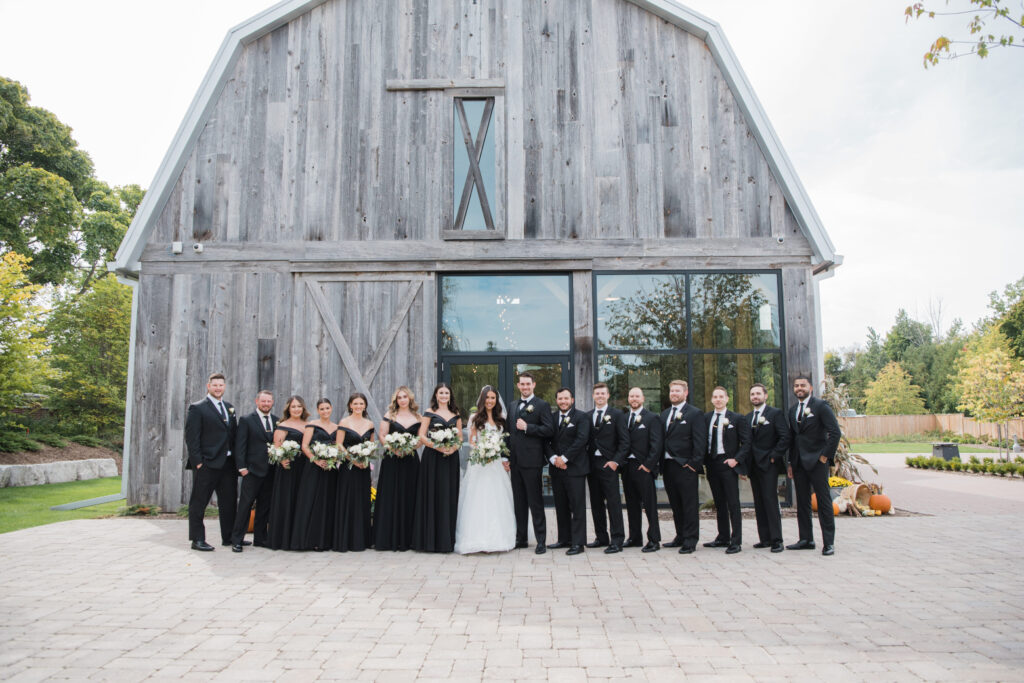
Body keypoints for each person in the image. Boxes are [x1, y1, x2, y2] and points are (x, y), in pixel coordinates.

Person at [454, 385, 516, 554]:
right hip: (479, 462)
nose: (490, 401)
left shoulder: (501, 418)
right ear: (482, 399)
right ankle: (476, 538)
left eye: (492, 398)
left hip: (495, 463)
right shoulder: (475, 417)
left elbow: (504, 440)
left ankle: (498, 538)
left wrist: (495, 450)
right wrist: (482, 449)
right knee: (478, 498)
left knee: (497, 498)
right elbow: (472, 440)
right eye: (487, 398)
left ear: (496, 401)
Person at [786, 374, 841, 556]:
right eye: (796, 386)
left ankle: (829, 542)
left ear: (810, 388)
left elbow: (835, 433)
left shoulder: (820, 406)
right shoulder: (793, 410)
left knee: (824, 502)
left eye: (802, 385)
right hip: (799, 463)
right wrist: (790, 463)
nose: (799, 388)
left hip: (817, 462)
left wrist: (825, 457)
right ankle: (806, 539)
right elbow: (793, 439)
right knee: (802, 502)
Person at [184, 372, 238, 551]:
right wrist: (198, 462)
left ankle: (229, 537)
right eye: (214, 385)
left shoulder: (229, 408)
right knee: (199, 502)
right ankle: (197, 539)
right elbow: (192, 438)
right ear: (208, 386)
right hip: (207, 464)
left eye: (221, 385)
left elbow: (233, 436)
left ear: (224, 387)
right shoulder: (197, 408)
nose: (218, 388)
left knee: (229, 502)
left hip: (228, 464)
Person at [412, 384, 463, 553]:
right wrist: (437, 446)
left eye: (446, 393)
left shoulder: (456, 414)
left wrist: (453, 448)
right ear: (436, 395)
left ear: (450, 395)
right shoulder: (429, 412)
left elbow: (460, 438)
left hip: (450, 458)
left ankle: (446, 539)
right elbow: (421, 434)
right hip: (433, 457)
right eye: (440, 393)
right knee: (432, 493)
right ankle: (430, 539)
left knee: (448, 494)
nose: (443, 395)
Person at [508, 371, 555, 554]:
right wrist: (506, 457)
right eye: (522, 384)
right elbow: (509, 433)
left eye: (528, 384)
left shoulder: (542, 405)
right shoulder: (512, 405)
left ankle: (541, 540)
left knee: (535, 502)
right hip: (515, 462)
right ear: (518, 386)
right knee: (519, 502)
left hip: (533, 462)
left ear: (533, 385)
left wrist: (528, 427)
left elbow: (549, 429)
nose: (525, 387)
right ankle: (521, 539)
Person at [659, 379, 706, 554]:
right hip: (669, 466)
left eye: (677, 391)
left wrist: (693, 464)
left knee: (689, 504)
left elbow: (700, 442)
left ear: (685, 393)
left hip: (686, 466)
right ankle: (680, 536)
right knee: (676, 504)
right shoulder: (664, 415)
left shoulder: (695, 413)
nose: (674, 394)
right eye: (672, 391)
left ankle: (690, 539)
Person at [703, 386, 751, 554]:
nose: (718, 399)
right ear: (711, 399)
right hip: (712, 463)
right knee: (719, 502)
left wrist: (736, 460)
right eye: (715, 396)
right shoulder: (707, 417)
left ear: (727, 399)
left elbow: (746, 443)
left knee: (733, 503)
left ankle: (736, 541)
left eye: (721, 396)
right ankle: (723, 537)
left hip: (728, 464)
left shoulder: (737, 418)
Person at [374, 386, 421, 551]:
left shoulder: (418, 417)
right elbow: (382, 435)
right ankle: (389, 538)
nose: (402, 400)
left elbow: (421, 438)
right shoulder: (389, 416)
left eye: (405, 397)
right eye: (399, 397)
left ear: (410, 399)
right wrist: (393, 448)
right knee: (391, 495)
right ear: (396, 400)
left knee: (411, 495)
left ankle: (409, 538)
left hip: (411, 460)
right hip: (392, 460)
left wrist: (410, 448)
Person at [746, 383, 791, 553]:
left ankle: (777, 540)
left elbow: (785, 437)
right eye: (752, 394)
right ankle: (764, 538)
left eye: (758, 393)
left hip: (769, 465)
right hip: (754, 466)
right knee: (759, 502)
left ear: (765, 396)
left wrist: (773, 456)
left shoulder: (775, 414)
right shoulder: (748, 417)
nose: (755, 396)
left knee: (770, 501)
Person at [230, 390, 277, 552]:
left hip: (270, 472)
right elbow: (240, 446)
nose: (266, 404)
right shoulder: (247, 420)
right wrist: (242, 468)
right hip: (252, 471)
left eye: (269, 401)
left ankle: (260, 538)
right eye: (263, 401)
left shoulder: (277, 421)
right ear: (257, 402)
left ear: (272, 402)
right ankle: (237, 539)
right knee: (245, 506)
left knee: (264, 506)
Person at [546, 387, 591, 555]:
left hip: (575, 469)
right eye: (560, 399)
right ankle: (564, 539)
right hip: (556, 469)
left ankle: (578, 543)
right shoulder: (551, 417)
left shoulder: (581, 417)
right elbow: (546, 441)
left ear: (572, 400)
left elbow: (581, 440)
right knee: (561, 505)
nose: (563, 401)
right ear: (556, 400)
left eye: (566, 398)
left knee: (577, 506)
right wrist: (553, 459)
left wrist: (564, 459)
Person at [585, 383, 629, 554]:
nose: (600, 396)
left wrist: (615, 461)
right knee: (596, 503)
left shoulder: (617, 415)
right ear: (593, 396)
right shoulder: (587, 416)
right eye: (597, 393)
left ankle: (617, 539)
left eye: (603, 393)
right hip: (592, 465)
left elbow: (624, 442)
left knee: (613, 503)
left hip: (609, 464)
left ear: (608, 395)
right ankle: (601, 537)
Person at [291, 398, 338, 551]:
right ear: (318, 411)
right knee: (311, 501)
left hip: (330, 470)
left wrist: (334, 458)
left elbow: (339, 446)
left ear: (331, 409)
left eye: (327, 408)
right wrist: (315, 460)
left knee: (328, 502)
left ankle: (326, 540)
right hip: (314, 468)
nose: (325, 411)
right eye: (322, 409)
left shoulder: (337, 427)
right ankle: (308, 539)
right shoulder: (311, 425)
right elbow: (304, 446)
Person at [621, 387, 664, 552]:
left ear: (643, 398)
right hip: (627, 467)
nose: (634, 399)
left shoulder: (652, 418)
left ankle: (654, 539)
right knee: (631, 504)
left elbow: (656, 444)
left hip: (644, 466)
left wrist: (648, 465)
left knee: (650, 505)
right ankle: (634, 537)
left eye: (637, 396)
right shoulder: (623, 418)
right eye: (631, 396)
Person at [268, 395, 309, 550]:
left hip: (304, 467)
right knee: (287, 499)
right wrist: (281, 459)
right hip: (288, 468)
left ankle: (298, 537)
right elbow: (276, 447)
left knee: (301, 500)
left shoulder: (308, 425)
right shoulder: (283, 426)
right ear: (288, 409)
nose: (297, 409)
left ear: (303, 408)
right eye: (293, 407)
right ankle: (282, 538)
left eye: (299, 406)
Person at [334, 393, 374, 552]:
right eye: (355, 404)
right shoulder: (344, 422)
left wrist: (365, 459)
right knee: (348, 499)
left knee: (362, 500)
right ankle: (346, 539)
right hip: (348, 467)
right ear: (350, 405)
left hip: (363, 467)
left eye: (361, 404)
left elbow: (371, 445)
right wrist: (352, 459)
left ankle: (361, 539)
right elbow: (339, 444)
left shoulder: (370, 424)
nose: (358, 406)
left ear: (365, 406)